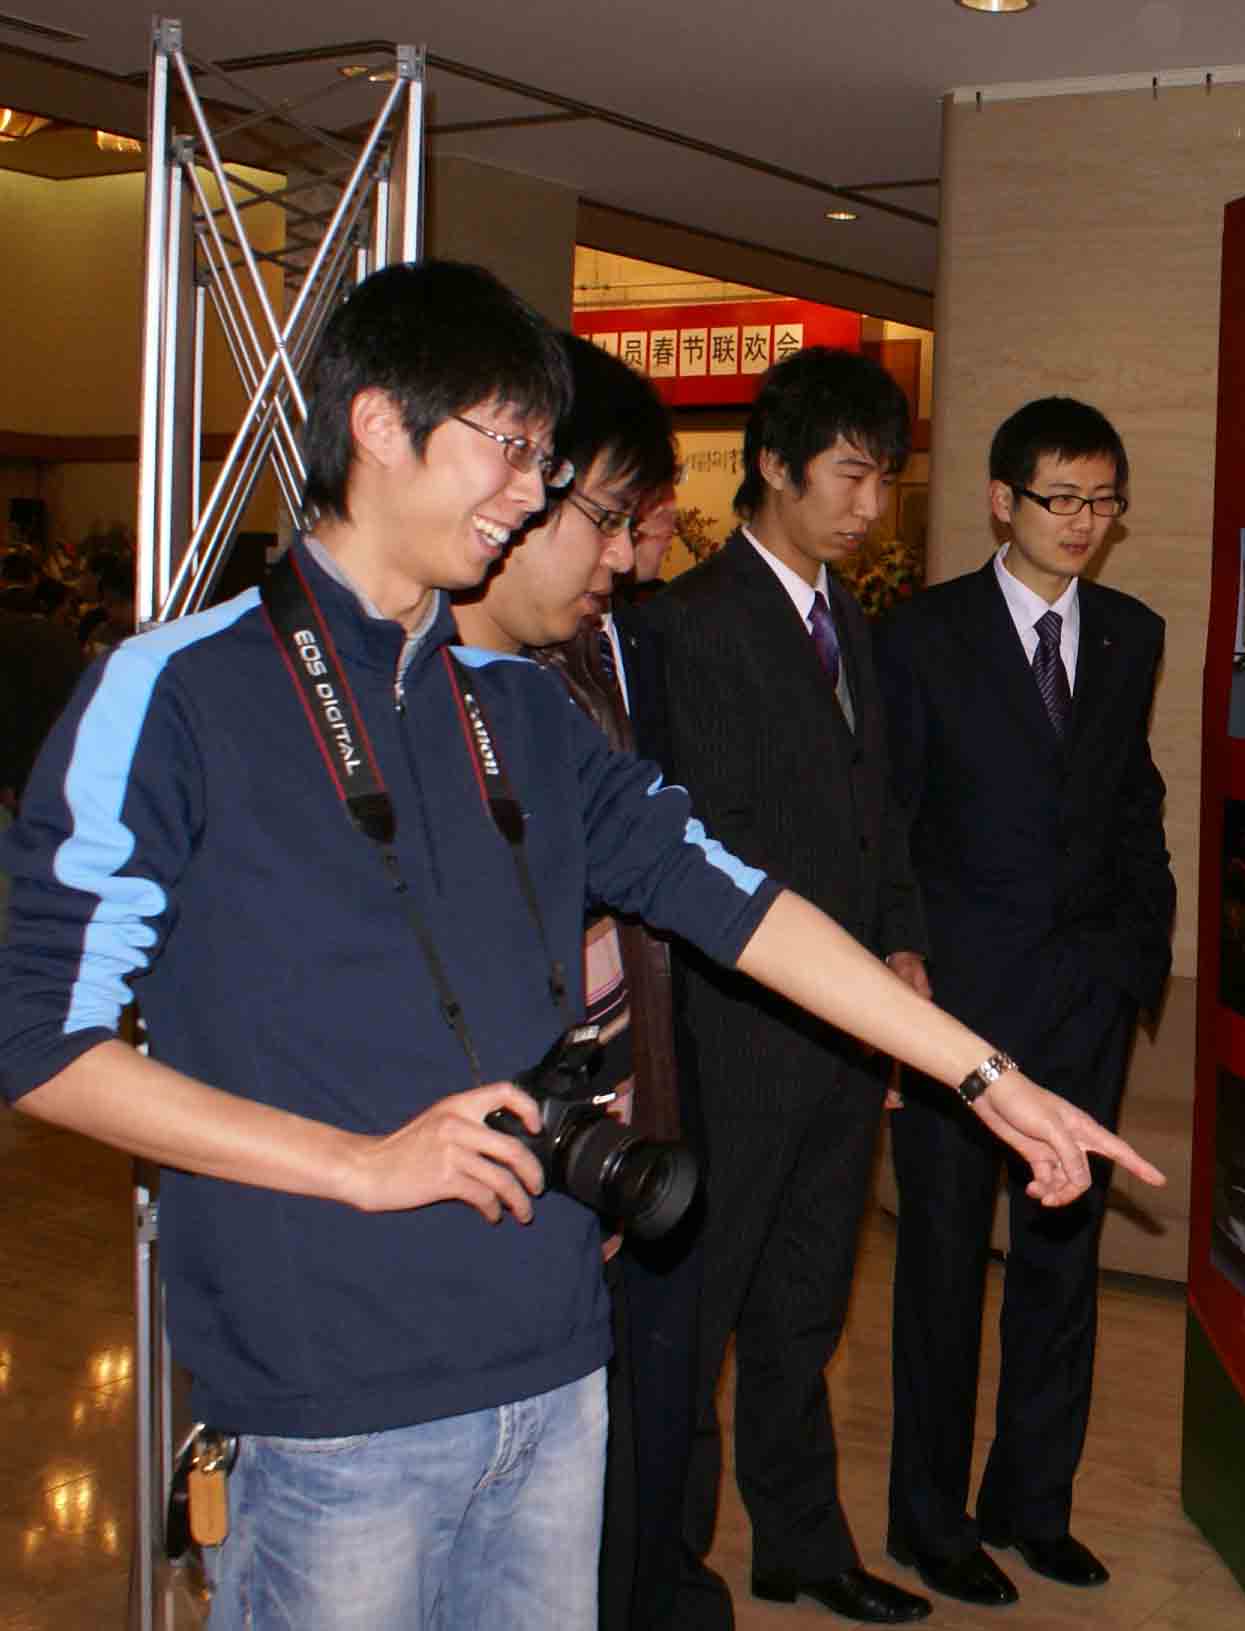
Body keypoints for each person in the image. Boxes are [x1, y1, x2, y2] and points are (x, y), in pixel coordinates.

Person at [0, 263, 1159, 1631]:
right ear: (377, 424)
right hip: (331, 1398)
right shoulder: (175, 691)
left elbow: (744, 902)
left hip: (553, 1370)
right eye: (510, 447)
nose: (531, 493)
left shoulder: (523, 707)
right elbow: (39, 1040)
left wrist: (985, 1076)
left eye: (545, 462)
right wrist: (357, 1164)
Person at [645, 346, 931, 1626]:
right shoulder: (691, 623)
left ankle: (802, 1541)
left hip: (848, 1021)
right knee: (702, 1307)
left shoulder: (849, 619)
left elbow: (879, 811)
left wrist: (900, 945)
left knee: (808, 1298)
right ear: (772, 463)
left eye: (886, 479)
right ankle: (671, 1568)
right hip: (741, 1025)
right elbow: (717, 838)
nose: (871, 506)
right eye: (850, 475)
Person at [877, 396, 1176, 1604]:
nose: (1083, 522)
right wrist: (901, 959)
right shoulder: (921, 634)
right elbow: (890, 816)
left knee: (1061, 1265)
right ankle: (930, 1521)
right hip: (958, 1008)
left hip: (1082, 997)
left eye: (1103, 501)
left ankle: (1032, 1503)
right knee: (943, 1267)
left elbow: (1132, 800)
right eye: (1061, 498)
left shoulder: (1132, 633)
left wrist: (1136, 955)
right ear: (1003, 500)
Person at [447, 333, 698, 1631]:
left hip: (570, 1182)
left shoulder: (544, 705)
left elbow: (711, 891)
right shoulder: (382, 704)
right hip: (421, 1281)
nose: (624, 557)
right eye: (604, 514)